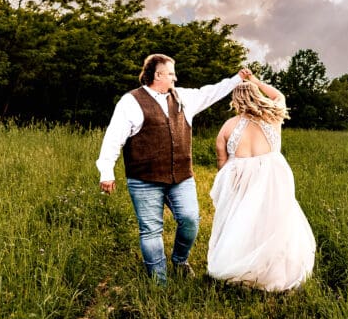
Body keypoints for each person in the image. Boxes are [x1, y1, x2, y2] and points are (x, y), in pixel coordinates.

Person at [97, 54, 250, 284]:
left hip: (181, 177)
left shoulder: (184, 98)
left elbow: (210, 92)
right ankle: (160, 283)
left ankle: (180, 259)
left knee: (190, 220)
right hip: (144, 179)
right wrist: (106, 172)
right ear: (157, 75)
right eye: (171, 73)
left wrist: (236, 78)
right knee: (151, 231)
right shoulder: (130, 102)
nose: (175, 77)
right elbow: (113, 138)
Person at [207, 76, 315, 292]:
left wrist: (227, 183)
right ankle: (271, 271)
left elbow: (221, 159)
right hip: (272, 176)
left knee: (239, 222)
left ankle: (238, 268)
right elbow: (279, 96)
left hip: (240, 176)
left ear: (235, 100)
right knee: (273, 222)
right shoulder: (272, 117)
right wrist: (255, 80)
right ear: (257, 95)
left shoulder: (228, 126)